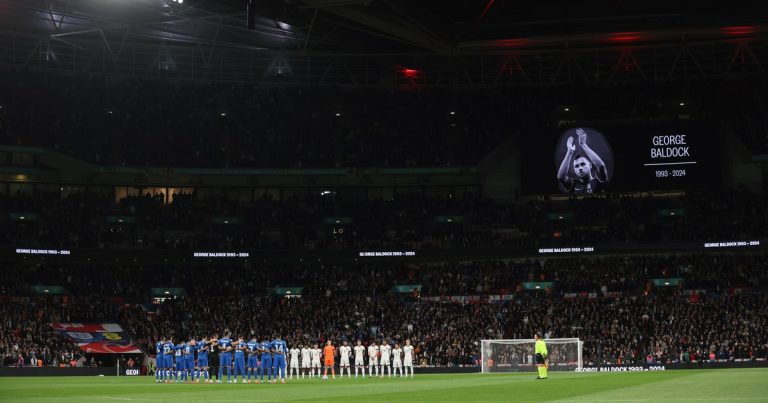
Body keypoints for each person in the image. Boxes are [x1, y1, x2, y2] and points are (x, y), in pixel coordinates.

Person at [557, 128, 608, 194]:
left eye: (583, 164)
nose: (580, 168)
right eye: (577, 166)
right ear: (575, 170)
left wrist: (583, 144)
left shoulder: (599, 181)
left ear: (590, 165)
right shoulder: (573, 184)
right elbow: (560, 176)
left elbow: (601, 165)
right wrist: (569, 152)